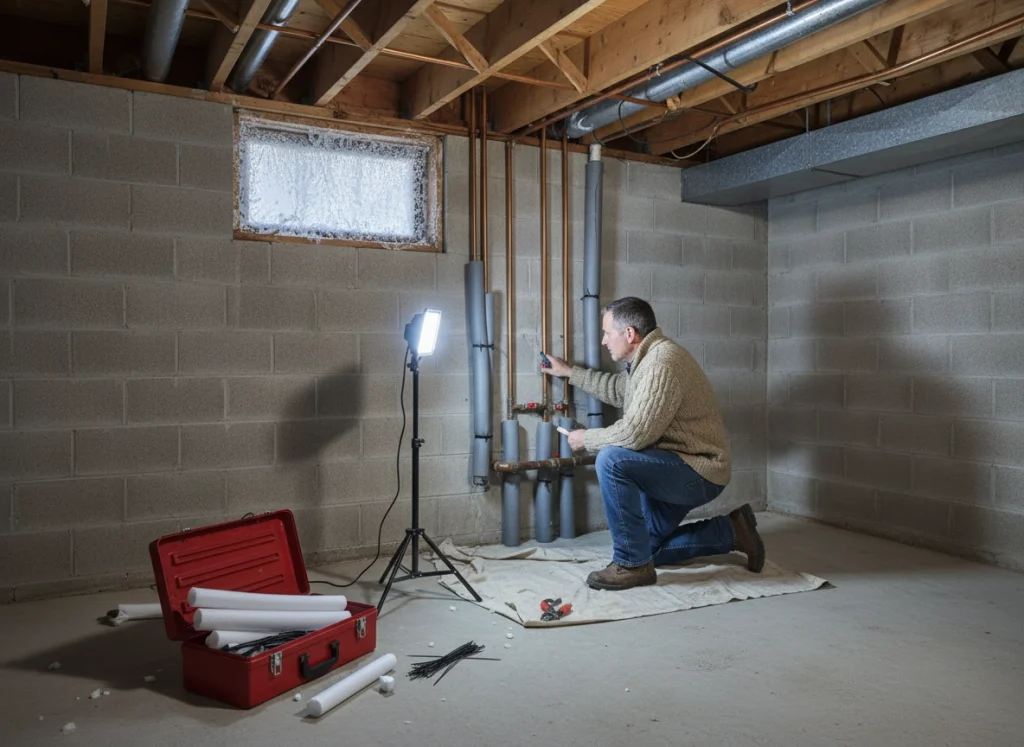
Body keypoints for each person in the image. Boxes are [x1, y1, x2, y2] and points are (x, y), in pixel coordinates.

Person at [541, 296, 764, 591]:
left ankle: (631, 567)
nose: (604, 341)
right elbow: (617, 390)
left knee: (610, 459)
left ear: (629, 334)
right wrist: (569, 372)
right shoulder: (644, 361)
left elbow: (635, 434)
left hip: (698, 471)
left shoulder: (661, 362)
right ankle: (733, 531)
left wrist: (587, 439)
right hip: (675, 464)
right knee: (645, 548)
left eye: (607, 332)